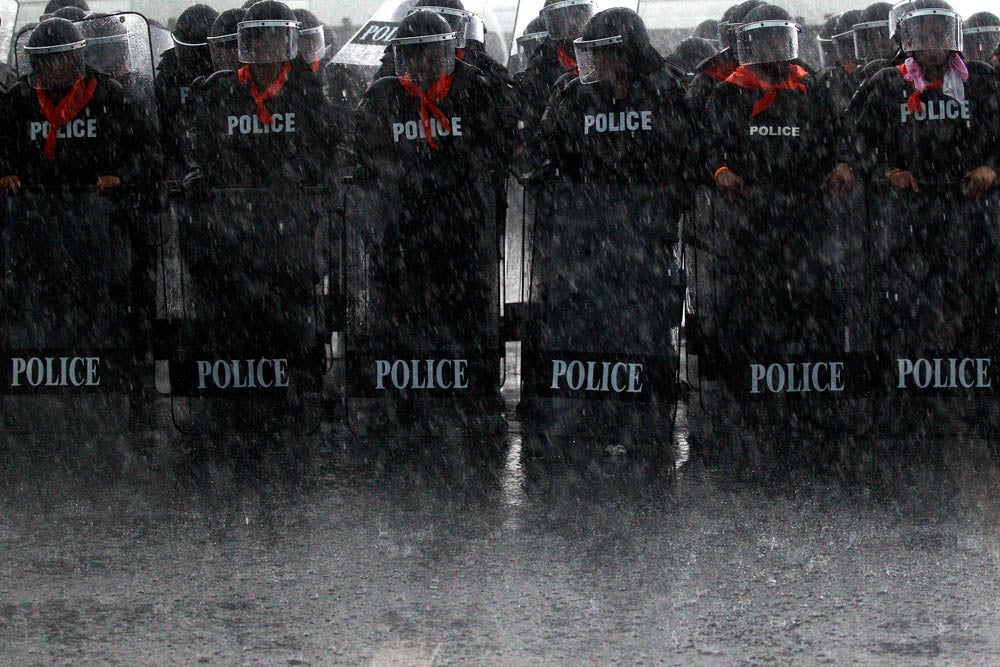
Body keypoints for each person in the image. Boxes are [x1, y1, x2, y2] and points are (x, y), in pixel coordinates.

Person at [184, 0, 336, 188]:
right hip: (233, 202)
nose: (267, 45)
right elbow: (203, 150)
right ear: (247, 42)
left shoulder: (308, 91)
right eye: (259, 36)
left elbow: (326, 147)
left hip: (293, 202)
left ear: (290, 41)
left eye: (276, 37)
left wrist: (300, 171)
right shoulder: (219, 91)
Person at [0, 18, 155, 192]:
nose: (56, 67)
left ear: (77, 57)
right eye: (47, 59)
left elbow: (141, 150)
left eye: (62, 58)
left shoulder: (108, 93)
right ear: (35, 62)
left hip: (100, 205)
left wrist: (119, 176)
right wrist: (6, 174)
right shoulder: (19, 97)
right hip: (31, 202)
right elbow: (5, 147)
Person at [513, 0, 595, 146]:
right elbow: (531, 121)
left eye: (579, 13)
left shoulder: (605, 56)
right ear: (553, 21)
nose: (573, 22)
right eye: (566, 15)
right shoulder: (539, 70)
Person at [155, 4, 219, 176]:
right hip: (177, 159)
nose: (197, 56)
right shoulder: (168, 74)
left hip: (217, 159)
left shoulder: (227, 73)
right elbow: (160, 125)